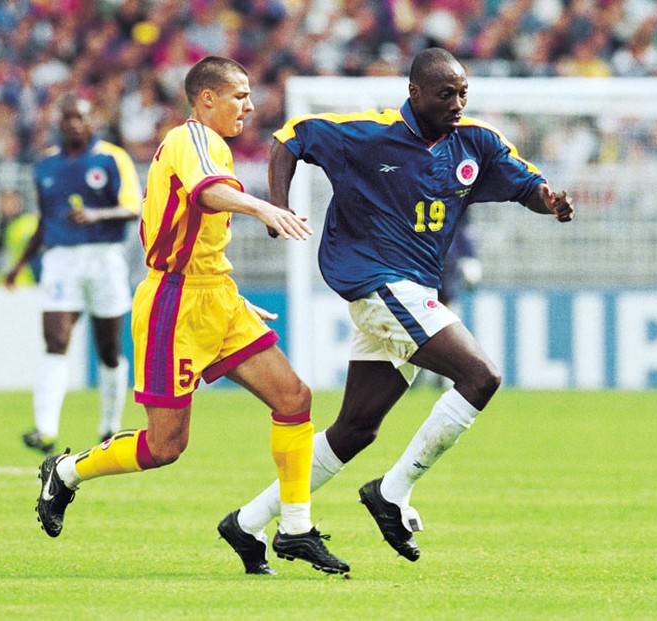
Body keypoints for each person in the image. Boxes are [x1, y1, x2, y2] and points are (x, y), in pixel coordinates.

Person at [232, 47, 574, 564]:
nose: (457, 103)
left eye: (463, 93)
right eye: (445, 94)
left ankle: (247, 522)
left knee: (355, 430)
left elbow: (526, 183)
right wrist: (277, 207)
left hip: (410, 292)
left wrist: (547, 202)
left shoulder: (474, 142)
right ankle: (392, 491)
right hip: (378, 283)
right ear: (414, 93)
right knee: (481, 376)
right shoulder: (368, 133)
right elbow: (291, 137)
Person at [34, 56, 349, 576]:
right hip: (172, 306)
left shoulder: (212, 144)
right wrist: (264, 207)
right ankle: (66, 471)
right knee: (166, 445)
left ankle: (295, 528)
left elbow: (200, 224)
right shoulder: (193, 138)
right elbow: (208, 192)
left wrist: (230, 294)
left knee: (294, 398)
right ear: (207, 99)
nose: (249, 105)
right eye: (239, 95)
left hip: (216, 296)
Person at [7, 94, 142, 455]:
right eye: (66, 117)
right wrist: (20, 264)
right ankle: (45, 429)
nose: (72, 123)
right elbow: (44, 220)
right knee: (55, 341)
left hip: (104, 257)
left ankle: (109, 424)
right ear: (59, 122)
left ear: (90, 120)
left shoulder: (112, 157)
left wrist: (97, 216)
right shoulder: (46, 165)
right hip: (60, 260)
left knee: (109, 348)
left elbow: (133, 207)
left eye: (78, 116)